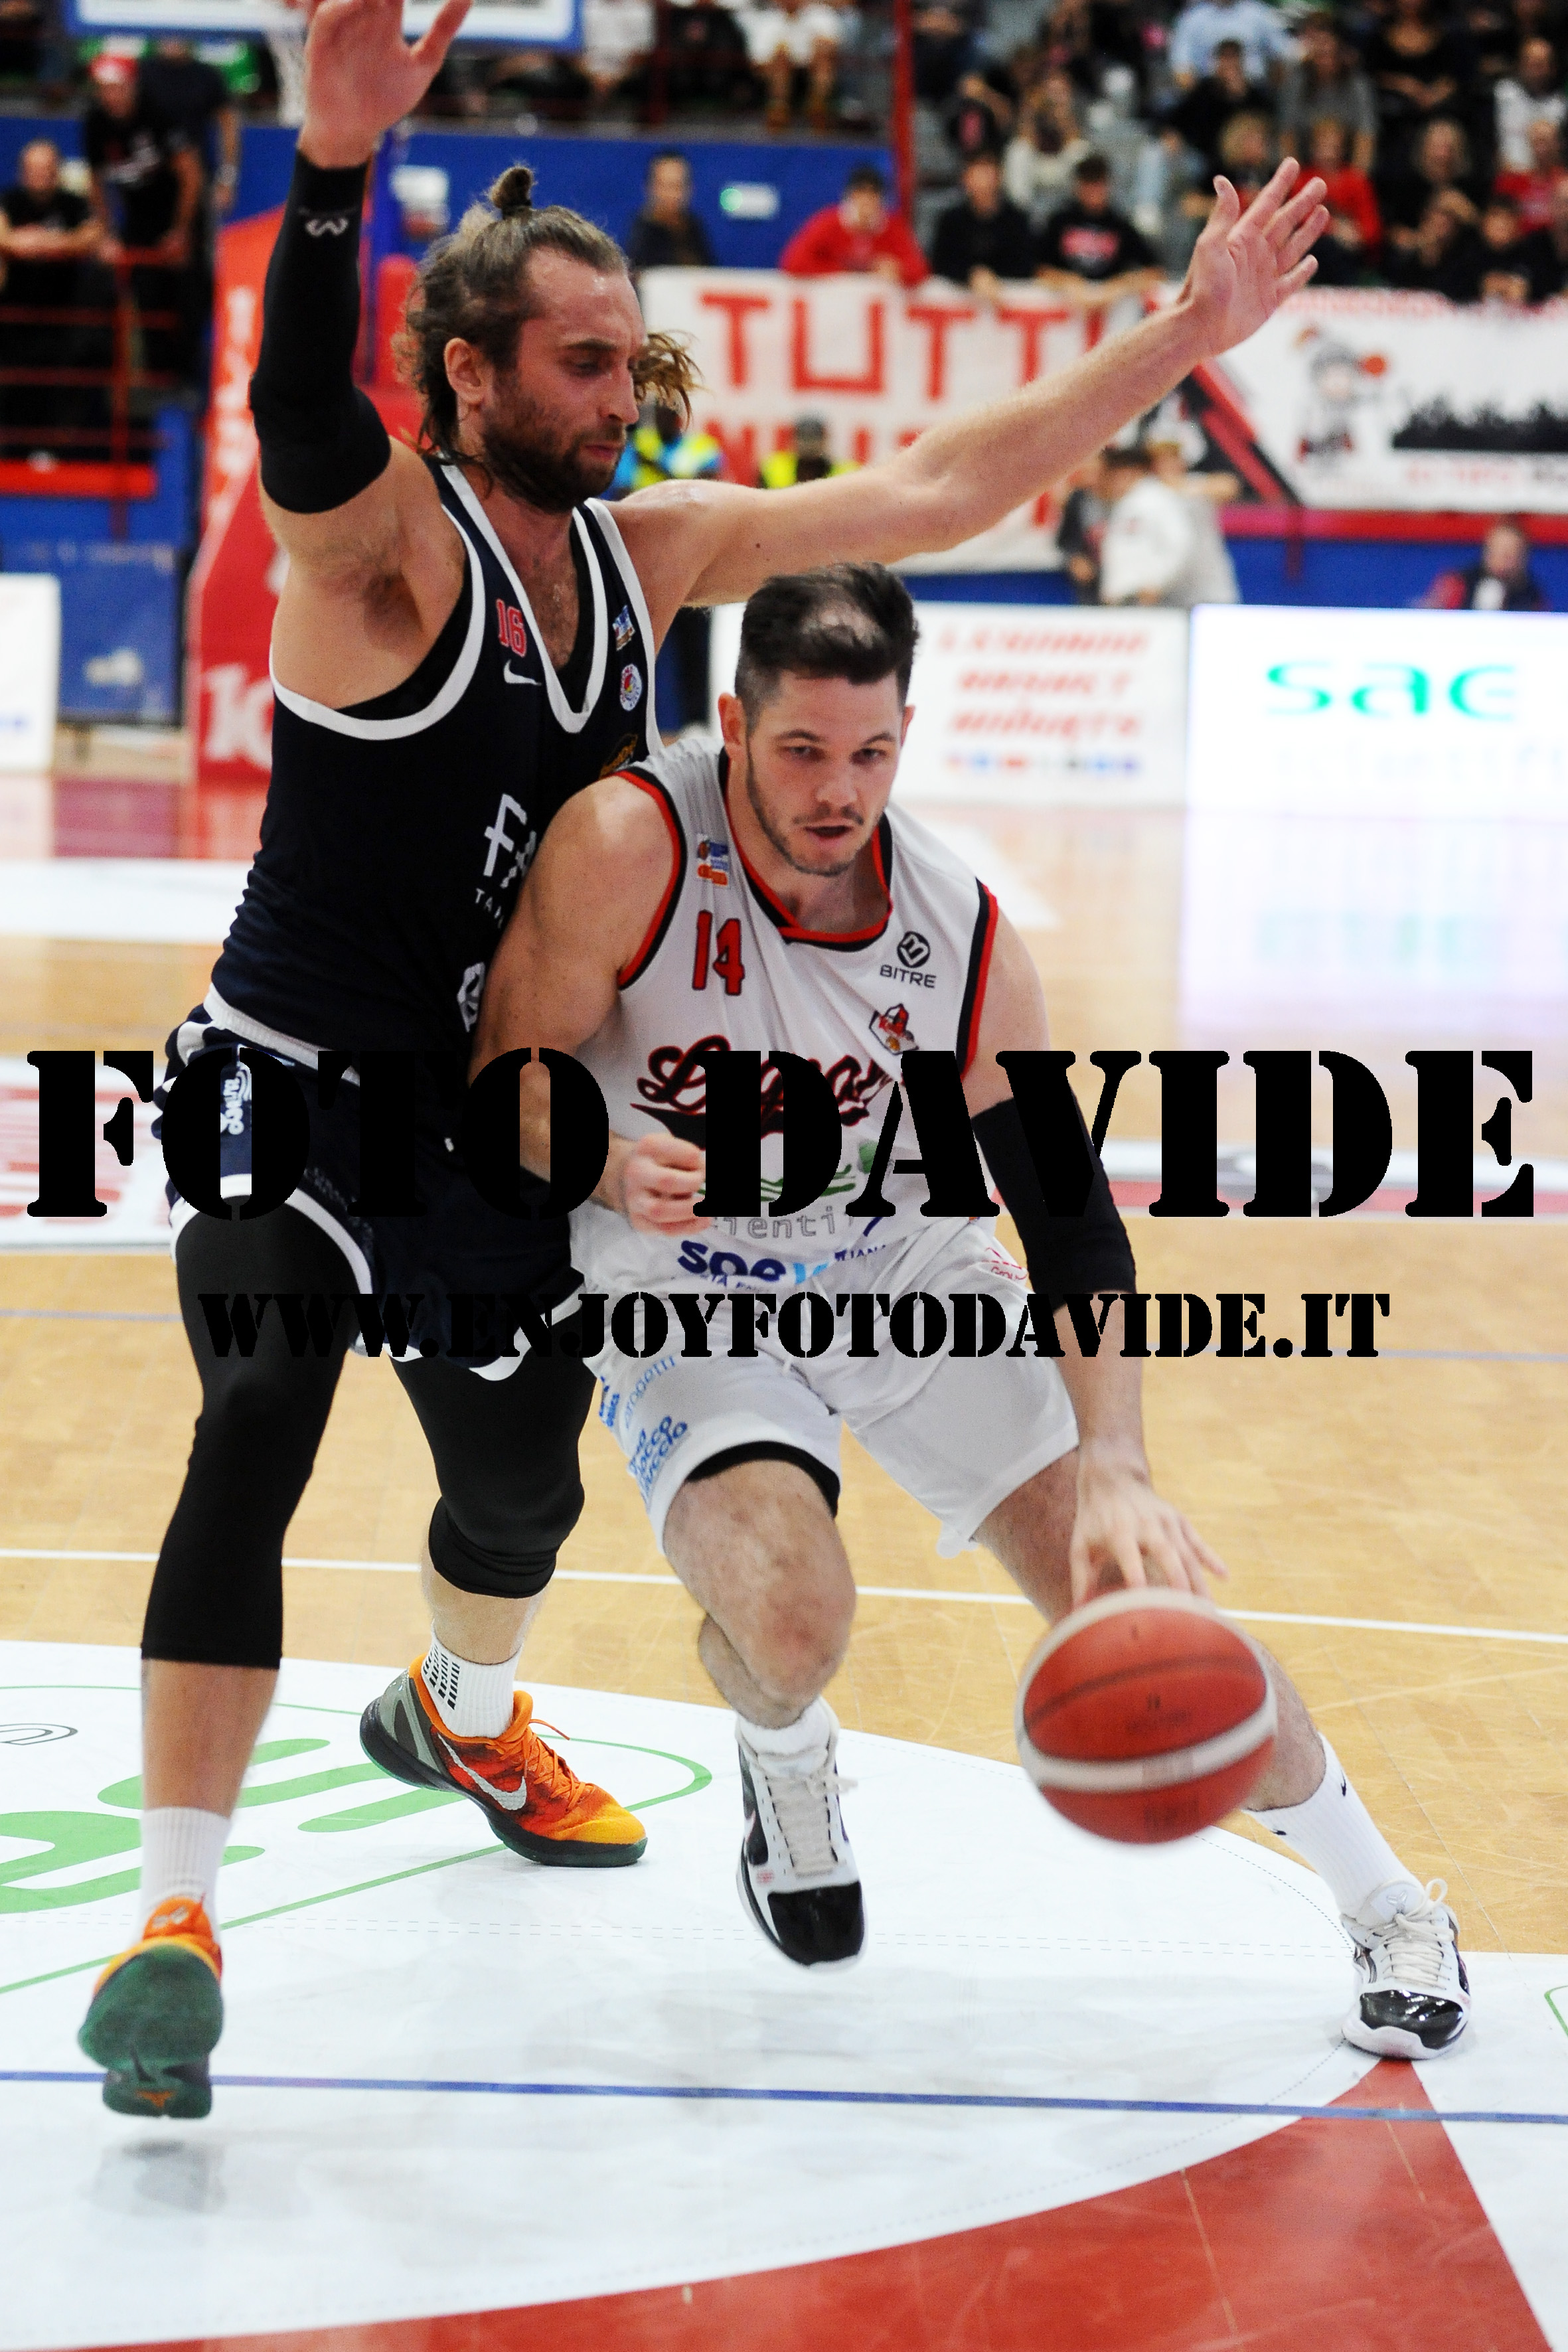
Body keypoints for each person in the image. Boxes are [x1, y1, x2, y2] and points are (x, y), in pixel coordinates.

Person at [73, 0, 1328, 2123]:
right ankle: (171, 1919)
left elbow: (937, 483)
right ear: (470, 375)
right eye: (581, 360)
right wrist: (330, 164)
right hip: (288, 1080)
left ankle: (461, 1708)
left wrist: (1182, 336)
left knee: (519, 1490)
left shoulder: (642, 560)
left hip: (498, 1110)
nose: (621, 389)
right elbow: (291, 410)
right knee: (258, 1408)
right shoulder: (383, 554)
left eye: (625, 354)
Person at [473, 560, 1470, 2063]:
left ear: (905, 736)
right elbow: (502, 1082)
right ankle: (785, 1753)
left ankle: (1386, 1896)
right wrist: (608, 1159)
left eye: (871, 753)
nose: (838, 792)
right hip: (683, 1280)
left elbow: (1067, 1219)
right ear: (733, 725)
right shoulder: (628, 845)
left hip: (899, 1269)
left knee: (1137, 1604)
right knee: (790, 1622)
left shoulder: (958, 932)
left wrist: (1117, 1458)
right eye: (801, 750)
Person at [82, 50, 204, 388]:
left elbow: (191, 174)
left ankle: (189, 382)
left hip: (178, 215)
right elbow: (96, 181)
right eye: (103, 88)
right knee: (146, 300)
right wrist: (107, 232)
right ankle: (158, 381)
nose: (110, 95)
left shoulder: (159, 113)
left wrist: (181, 231)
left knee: (187, 298)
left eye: (117, 87)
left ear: (132, 85)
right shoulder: (96, 123)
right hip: (137, 220)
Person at [0, 138, 106, 465]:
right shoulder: (10, 201)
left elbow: (94, 235)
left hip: (63, 314)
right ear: (22, 172)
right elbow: (3, 236)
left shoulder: (73, 204)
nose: (39, 175)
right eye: (32, 169)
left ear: (56, 172)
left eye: (46, 169)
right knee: (16, 383)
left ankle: (52, 451)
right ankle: (12, 451)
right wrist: (16, 243)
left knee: (61, 383)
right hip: (15, 315)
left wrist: (51, 242)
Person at [1035, 152, 1162, 311]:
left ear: (1108, 185)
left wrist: (1119, 285)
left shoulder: (1121, 225)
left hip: (1113, 312)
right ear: (1077, 185)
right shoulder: (1059, 221)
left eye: (1098, 183)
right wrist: (1067, 282)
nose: (1093, 190)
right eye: (1088, 183)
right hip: (1065, 312)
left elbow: (1155, 271)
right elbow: (1038, 269)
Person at [139, 37, 242, 219]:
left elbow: (228, 126)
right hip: (150, 176)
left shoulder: (207, 76)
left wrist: (227, 178)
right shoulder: (142, 74)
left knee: (196, 231)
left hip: (197, 176)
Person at [779, 163, 929, 285]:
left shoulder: (892, 228)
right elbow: (793, 262)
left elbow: (919, 270)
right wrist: (844, 273)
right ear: (850, 196)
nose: (866, 202)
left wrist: (899, 271)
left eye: (873, 195)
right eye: (861, 194)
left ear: (881, 200)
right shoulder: (828, 223)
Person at [928, 151, 1038, 295]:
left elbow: (1026, 265)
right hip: (960, 295)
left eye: (987, 176)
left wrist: (992, 277)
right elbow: (940, 263)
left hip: (1008, 294)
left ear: (999, 178)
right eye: (976, 176)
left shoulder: (1017, 220)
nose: (982, 184)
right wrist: (971, 275)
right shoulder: (951, 221)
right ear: (965, 180)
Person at [1278, 13, 1376, 174]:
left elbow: (1366, 134)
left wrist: (1356, 179)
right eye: (1320, 56)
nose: (1325, 62)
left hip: (1347, 165)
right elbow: (1287, 134)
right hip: (1305, 163)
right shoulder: (1296, 83)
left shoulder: (1357, 85)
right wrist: (1294, 177)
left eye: (1331, 54)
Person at [1167, 36, 1275, 182]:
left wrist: (1238, 95)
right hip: (1204, 158)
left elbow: (1263, 126)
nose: (1229, 63)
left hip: (1242, 158)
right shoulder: (1204, 90)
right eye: (1224, 58)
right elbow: (1176, 118)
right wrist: (1171, 134)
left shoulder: (1256, 95)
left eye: (1233, 57)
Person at [1302, 115, 1382, 282]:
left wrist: (1358, 235)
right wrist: (1334, 228)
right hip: (1313, 249)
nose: (1328, 153)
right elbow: (1299, 218)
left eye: (1334, 147)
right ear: (1313, 148)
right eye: (1323, 146)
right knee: (1326, 246)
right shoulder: (1302, 179)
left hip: (1350, 252)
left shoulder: (1357, 180)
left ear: (1343, 149)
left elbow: (1372, 225)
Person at [738, 0, 840, 130]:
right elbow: (758, 62)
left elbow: (834, 49)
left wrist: (820, 48)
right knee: (781, 62)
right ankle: (778, 110)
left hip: (811, 72)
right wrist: (781, 59)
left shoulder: (822, 15)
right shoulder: (767, 20)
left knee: (824, 60)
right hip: (777, 75)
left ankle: (818, 107)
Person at [1004, 69, 1093, 217]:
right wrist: (1032, 110)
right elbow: (1025, 139)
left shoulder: (1079, 107)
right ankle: (1019, 212)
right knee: (1019, 151)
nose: (1054, 96)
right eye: (1050, 90)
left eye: (1060, 91)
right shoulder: (1034, 107)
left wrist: (1063, 115)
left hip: (1063, 166)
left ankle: (1077, 212)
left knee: (1080, 150)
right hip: (1037, 164)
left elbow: (1074, 141)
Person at [1168, 0, 1294, 92]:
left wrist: (1272, 93)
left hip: (1254, 92)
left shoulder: (1259, 13)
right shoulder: (1192, 19)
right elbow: (1181, 70)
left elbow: (1281, 56)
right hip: (1209, 94)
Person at [1423, 516, 1549, 608]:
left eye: (1510, 554)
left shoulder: (1531, 595)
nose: (1503, 559)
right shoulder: (1458, 583)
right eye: (1498, 550)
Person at [625, 150, 715, 274]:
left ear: (690, 189)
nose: (671, 194)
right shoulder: (642, 236)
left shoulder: (694, 229)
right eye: (665, 185)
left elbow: (708, 273)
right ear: (650, 187)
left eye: (678, 185)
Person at [1495, 36, 1567, 173]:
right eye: (1530, 63)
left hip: (1547, 178)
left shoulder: (1561, 105)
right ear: (1520, 65)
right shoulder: (1503, 94)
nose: (1535, 70)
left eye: (1540, 64)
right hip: (1508, 174)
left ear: (1552, 68)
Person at [1496, 114, 1568, 230]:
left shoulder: (1564, 180)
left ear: (1557, 144)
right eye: (1537, 142)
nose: (1542, 148)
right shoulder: (1511, 181)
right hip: (1524, 239)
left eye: (1546, 141)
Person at [578, 0, 655, 108]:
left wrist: (616, 78)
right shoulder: (581, 5)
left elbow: (643, 51)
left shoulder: (640, 8)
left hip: (625, 71)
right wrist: (593, 76)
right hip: (588, 70)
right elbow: (570, 49)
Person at [1056, 449, 1109, 600]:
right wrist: (1074, 558)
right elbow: (1065, 539)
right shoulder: (1078, 499)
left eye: (1095, 471)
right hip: (1089, 575)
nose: (1090, 475)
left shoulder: (1120, 496)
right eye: (1087, 470)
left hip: (1119, 572)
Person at [759, 414, 854, 485]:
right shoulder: (774, 467)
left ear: (825, 440)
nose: (809, 445)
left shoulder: (845, 473)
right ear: (793, 440)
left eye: (814, 439)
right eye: (804, 438)